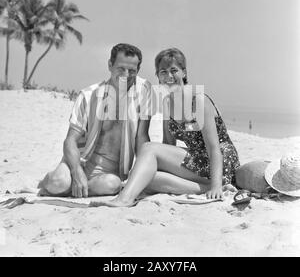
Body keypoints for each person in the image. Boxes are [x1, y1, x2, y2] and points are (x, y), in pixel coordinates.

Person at [104, 48, 240, 207]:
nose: (169, 76)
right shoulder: (167, 103)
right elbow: (168, 144)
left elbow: (213, 148)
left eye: (174, 70)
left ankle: (124, 199)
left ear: (184, 72)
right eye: (163, 72)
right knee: (146, 177)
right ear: (158, 76)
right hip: (199, 162)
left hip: (220, 163)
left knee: (148, 149)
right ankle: (205, 188)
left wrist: (217, 185)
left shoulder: (198, 100)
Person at [38, 43, 152, 198]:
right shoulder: (88, 95)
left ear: (138, 70)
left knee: (112, 184)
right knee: (58, 183)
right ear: (110, 65)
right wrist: (77, 171)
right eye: (121, 69)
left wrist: (141, 173)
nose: (126, 74)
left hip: (108, 175)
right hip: (79, 164)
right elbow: (70, 140)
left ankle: (72, 190)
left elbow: (142, 137)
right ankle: (50, 183)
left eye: (132, 70)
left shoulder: (144, 92)